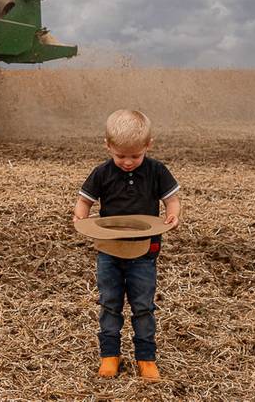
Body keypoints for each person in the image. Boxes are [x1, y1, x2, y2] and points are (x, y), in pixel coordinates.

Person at [72, 109, 181, 381]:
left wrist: (173, 213)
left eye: (135, 156)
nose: (128, 162)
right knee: (110, 303)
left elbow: (172, 199)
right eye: (121, 156)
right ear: (108, 146)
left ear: (148, 145)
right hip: (109, 252)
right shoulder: (102, 173)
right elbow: (85, 201)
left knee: (143, 305)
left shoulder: (156, 171)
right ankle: (109, 356)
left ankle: (146, 359)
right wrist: (81, 217)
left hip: (144, 252)